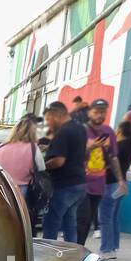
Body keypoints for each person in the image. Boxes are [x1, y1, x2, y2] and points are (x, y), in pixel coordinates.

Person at [77, 99, 126, 246]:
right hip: (81, 183)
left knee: (88, 221)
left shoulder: (109, 132)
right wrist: (89, 148)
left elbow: (113, 157)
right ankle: (75, 249)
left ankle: (79, 249)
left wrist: (120, 179)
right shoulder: (81, 131)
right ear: (89, 112)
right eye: (96, 112)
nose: (100, 115)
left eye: (103, 112)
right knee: (82, 218)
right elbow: (73, 156)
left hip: (99, 184)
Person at [42, 101, 88, 242]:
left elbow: (59, 161)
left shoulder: (63, 132)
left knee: (51, 222)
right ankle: (72, 254)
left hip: (64, 185)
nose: (48, 124)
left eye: (48, 119)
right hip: (79, 183)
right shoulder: (80, 129)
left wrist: (41, 166)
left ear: (56, 115)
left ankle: (47, 254)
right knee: (70, 223)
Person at [99, 120, 131, 258]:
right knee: (113, 217)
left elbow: (107, 163)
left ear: (120, 131)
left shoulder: (117, 146)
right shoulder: (130, 147)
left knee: (105, 217)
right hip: (121, 184)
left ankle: (106, 249)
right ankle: (113, 247)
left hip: (110, 183)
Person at [0, 115, 46, 201]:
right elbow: (41, 168)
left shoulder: (0, 148)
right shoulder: (33, 148)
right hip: (21, 189)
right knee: (20, 213)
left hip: (0, 188)